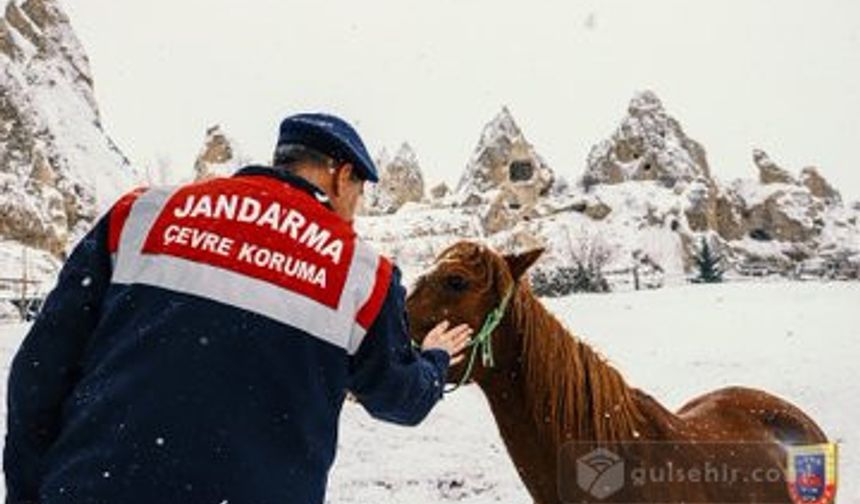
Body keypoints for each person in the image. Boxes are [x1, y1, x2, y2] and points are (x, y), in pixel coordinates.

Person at [4, 113, 473, 504]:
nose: (356, 208)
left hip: (89, 488)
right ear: (340, 174)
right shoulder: (361, 274)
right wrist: (432, 362)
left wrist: (29, 490)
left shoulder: (142, 214)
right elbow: (398, 399)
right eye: (359, 191)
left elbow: (40, 371)